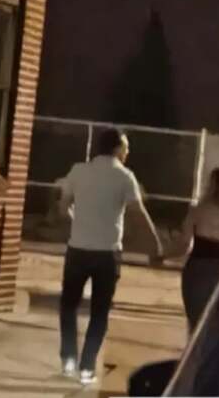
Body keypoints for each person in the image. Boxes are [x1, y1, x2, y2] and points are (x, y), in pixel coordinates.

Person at [57, 127, 163, 385]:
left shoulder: (78, 171)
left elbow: (62, 208)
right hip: (107, 253)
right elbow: (139, 214)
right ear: (116, 148)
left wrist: (78, 223)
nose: (128, 151)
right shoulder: (125, 176)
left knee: (69, 305)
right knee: (99, 311)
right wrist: (156, 245)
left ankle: (68, 358)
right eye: (126, 147)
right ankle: (87, 367)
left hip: (78, 249)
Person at [169, 167, 219, 331]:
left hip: (198, 270)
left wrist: (163, 255)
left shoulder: (199, 210)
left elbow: (184, 245)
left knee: (197, 325)